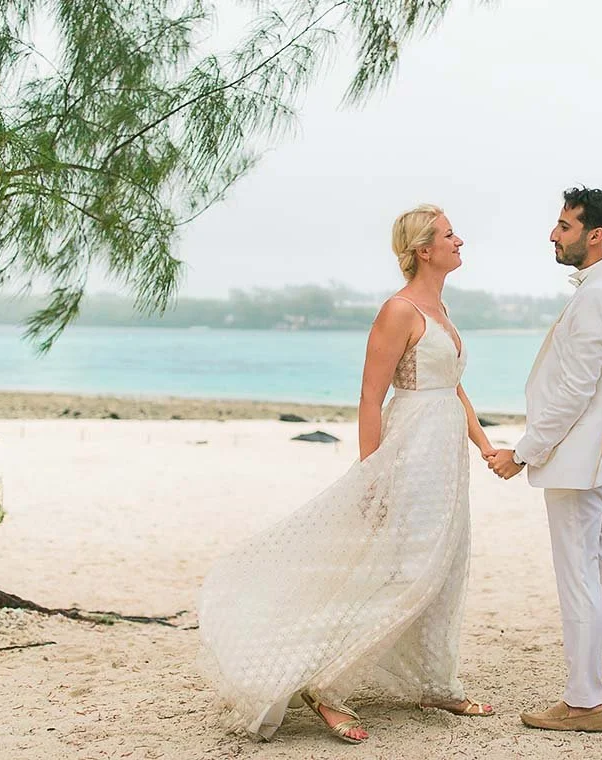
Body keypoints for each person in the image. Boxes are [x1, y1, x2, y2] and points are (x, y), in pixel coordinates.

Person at [198, 204, 495, 745]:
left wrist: (485, 445)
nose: (461, 241)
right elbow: (369, 395)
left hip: (445, 460)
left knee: (444, 567)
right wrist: (372, 472)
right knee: (401, 571)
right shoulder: (398, 310)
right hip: (410, 453)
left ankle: (435, 680)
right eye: (450, 235)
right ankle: (326, 684)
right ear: (424, 250)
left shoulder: (441, 307)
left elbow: (452, 386)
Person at [489, 187, 602, 732]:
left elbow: (572, 392)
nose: (552, 234)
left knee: (579, 576)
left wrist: (522, 453)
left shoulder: (597, 297)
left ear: (596, 235)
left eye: (564, 226)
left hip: (579, 459)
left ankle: (584, 702)